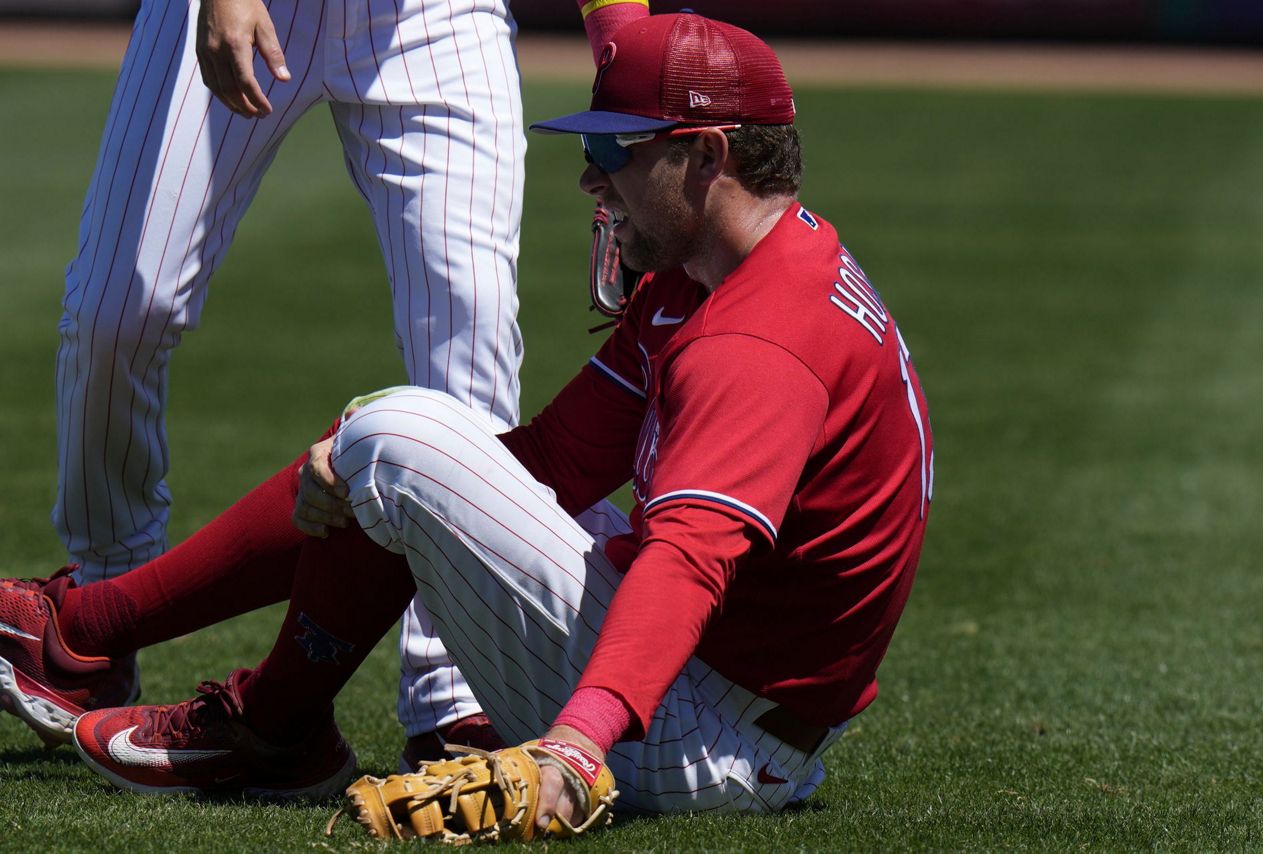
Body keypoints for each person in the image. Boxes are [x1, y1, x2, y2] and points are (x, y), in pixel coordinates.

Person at [0, 13, 933, 822]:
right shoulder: (728, 271)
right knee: (410, 452)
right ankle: (120, 640)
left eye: (615, 151)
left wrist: (575, 749)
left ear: (709, 155)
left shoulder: (758, 343)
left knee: (401, 439)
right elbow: (553, 463)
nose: (590, 181)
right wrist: (384, 488)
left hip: (705, 737)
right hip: (724, 693)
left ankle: (253, 721)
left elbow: (689, 562)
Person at [45, 0, 649, 766]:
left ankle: (451, 695)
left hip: (435, 16)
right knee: (116, 313)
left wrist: (620, 36)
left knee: (473, 338)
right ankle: (101, 610)